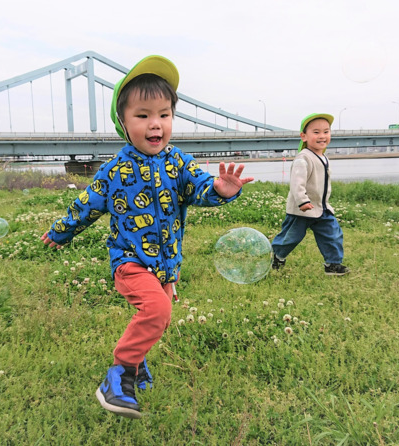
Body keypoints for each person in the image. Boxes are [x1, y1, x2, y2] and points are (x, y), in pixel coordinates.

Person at [40, 55, 254, 418]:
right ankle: (119, 373)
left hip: (166, 265)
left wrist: (222, 189)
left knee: (161, 316)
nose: (155, 124)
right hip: (130, 260)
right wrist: (60, 232)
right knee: (156, 310)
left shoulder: (179, 163)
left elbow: (200, 188)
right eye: (143, 116)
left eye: (164, 114)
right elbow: (86, 205)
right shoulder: (114, 171)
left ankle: (136, 369)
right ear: (123, 123)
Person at [271, 113, 349, 276]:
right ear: (304, 136)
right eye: (316, 132)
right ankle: (277, 256)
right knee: (290, 237)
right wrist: (302, 200)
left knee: (332, 234)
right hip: (301, 209)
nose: (322, 136)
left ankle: (333, 264)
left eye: (326, 132)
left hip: (321, 208)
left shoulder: (323, 157)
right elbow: (296, 183)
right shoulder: (303, 158)